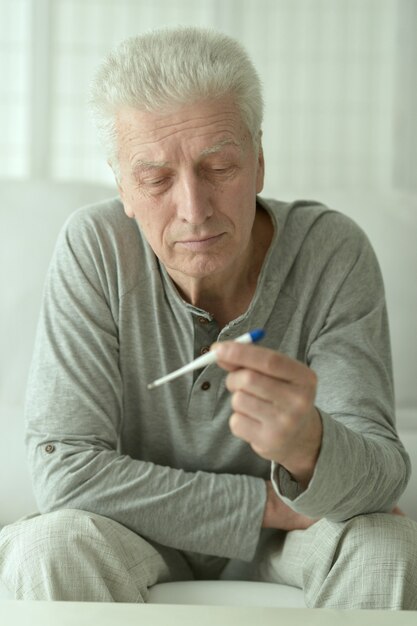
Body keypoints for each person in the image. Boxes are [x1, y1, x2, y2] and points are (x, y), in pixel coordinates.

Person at [1, 26, 416, 609]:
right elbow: (67, 471)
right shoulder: (95, 247)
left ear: (260, 161)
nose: (194, 210)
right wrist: (270, 504)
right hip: (145, 534)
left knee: (385, 545)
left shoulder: (332, 253)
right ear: (123, 186)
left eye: (219, 167)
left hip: (286, 546)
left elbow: (380, 479)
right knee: (50, 545)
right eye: (156, 179)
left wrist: (309, 447)